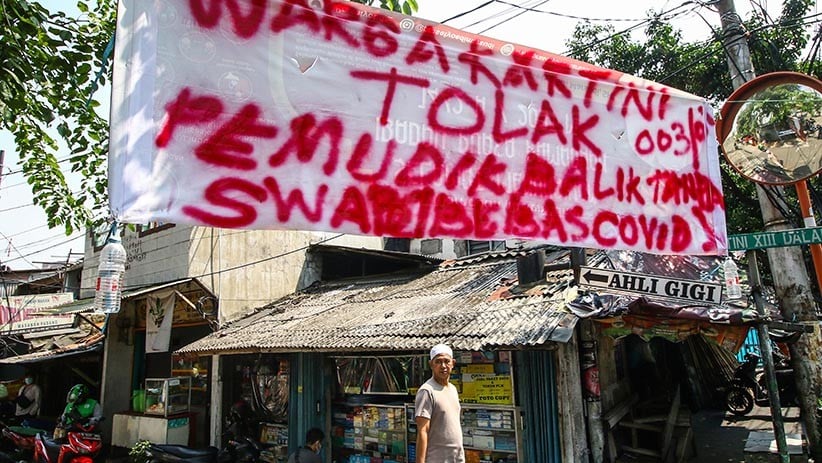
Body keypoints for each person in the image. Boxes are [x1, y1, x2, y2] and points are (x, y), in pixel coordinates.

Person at [415, 344, 464, 463]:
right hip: (437, 458)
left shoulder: (452, 389)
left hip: (456, 458)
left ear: (453, 363)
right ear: (431, 364)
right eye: (438, 362)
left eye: (446, 361)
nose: (443, 366)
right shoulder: (427, 391)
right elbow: (422, 430)